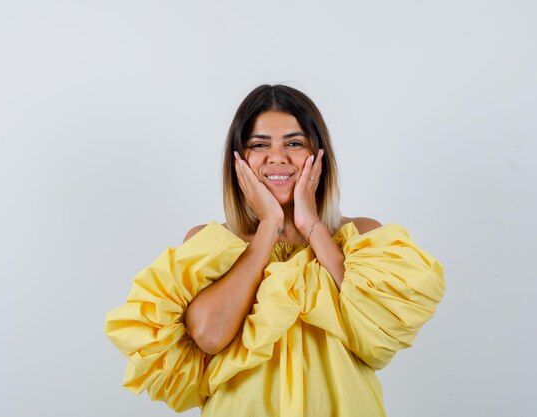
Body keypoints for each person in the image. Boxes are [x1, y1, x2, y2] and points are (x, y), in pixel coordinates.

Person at [105, 84, 445, 416]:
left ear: (317, 153)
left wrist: (311, 224)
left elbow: (379, 330)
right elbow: (209, 336)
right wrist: (268, 227)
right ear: (239, 159)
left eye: (294, 143)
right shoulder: (210, 247)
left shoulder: (363, 240)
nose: (277, 157)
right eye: (259, 144)